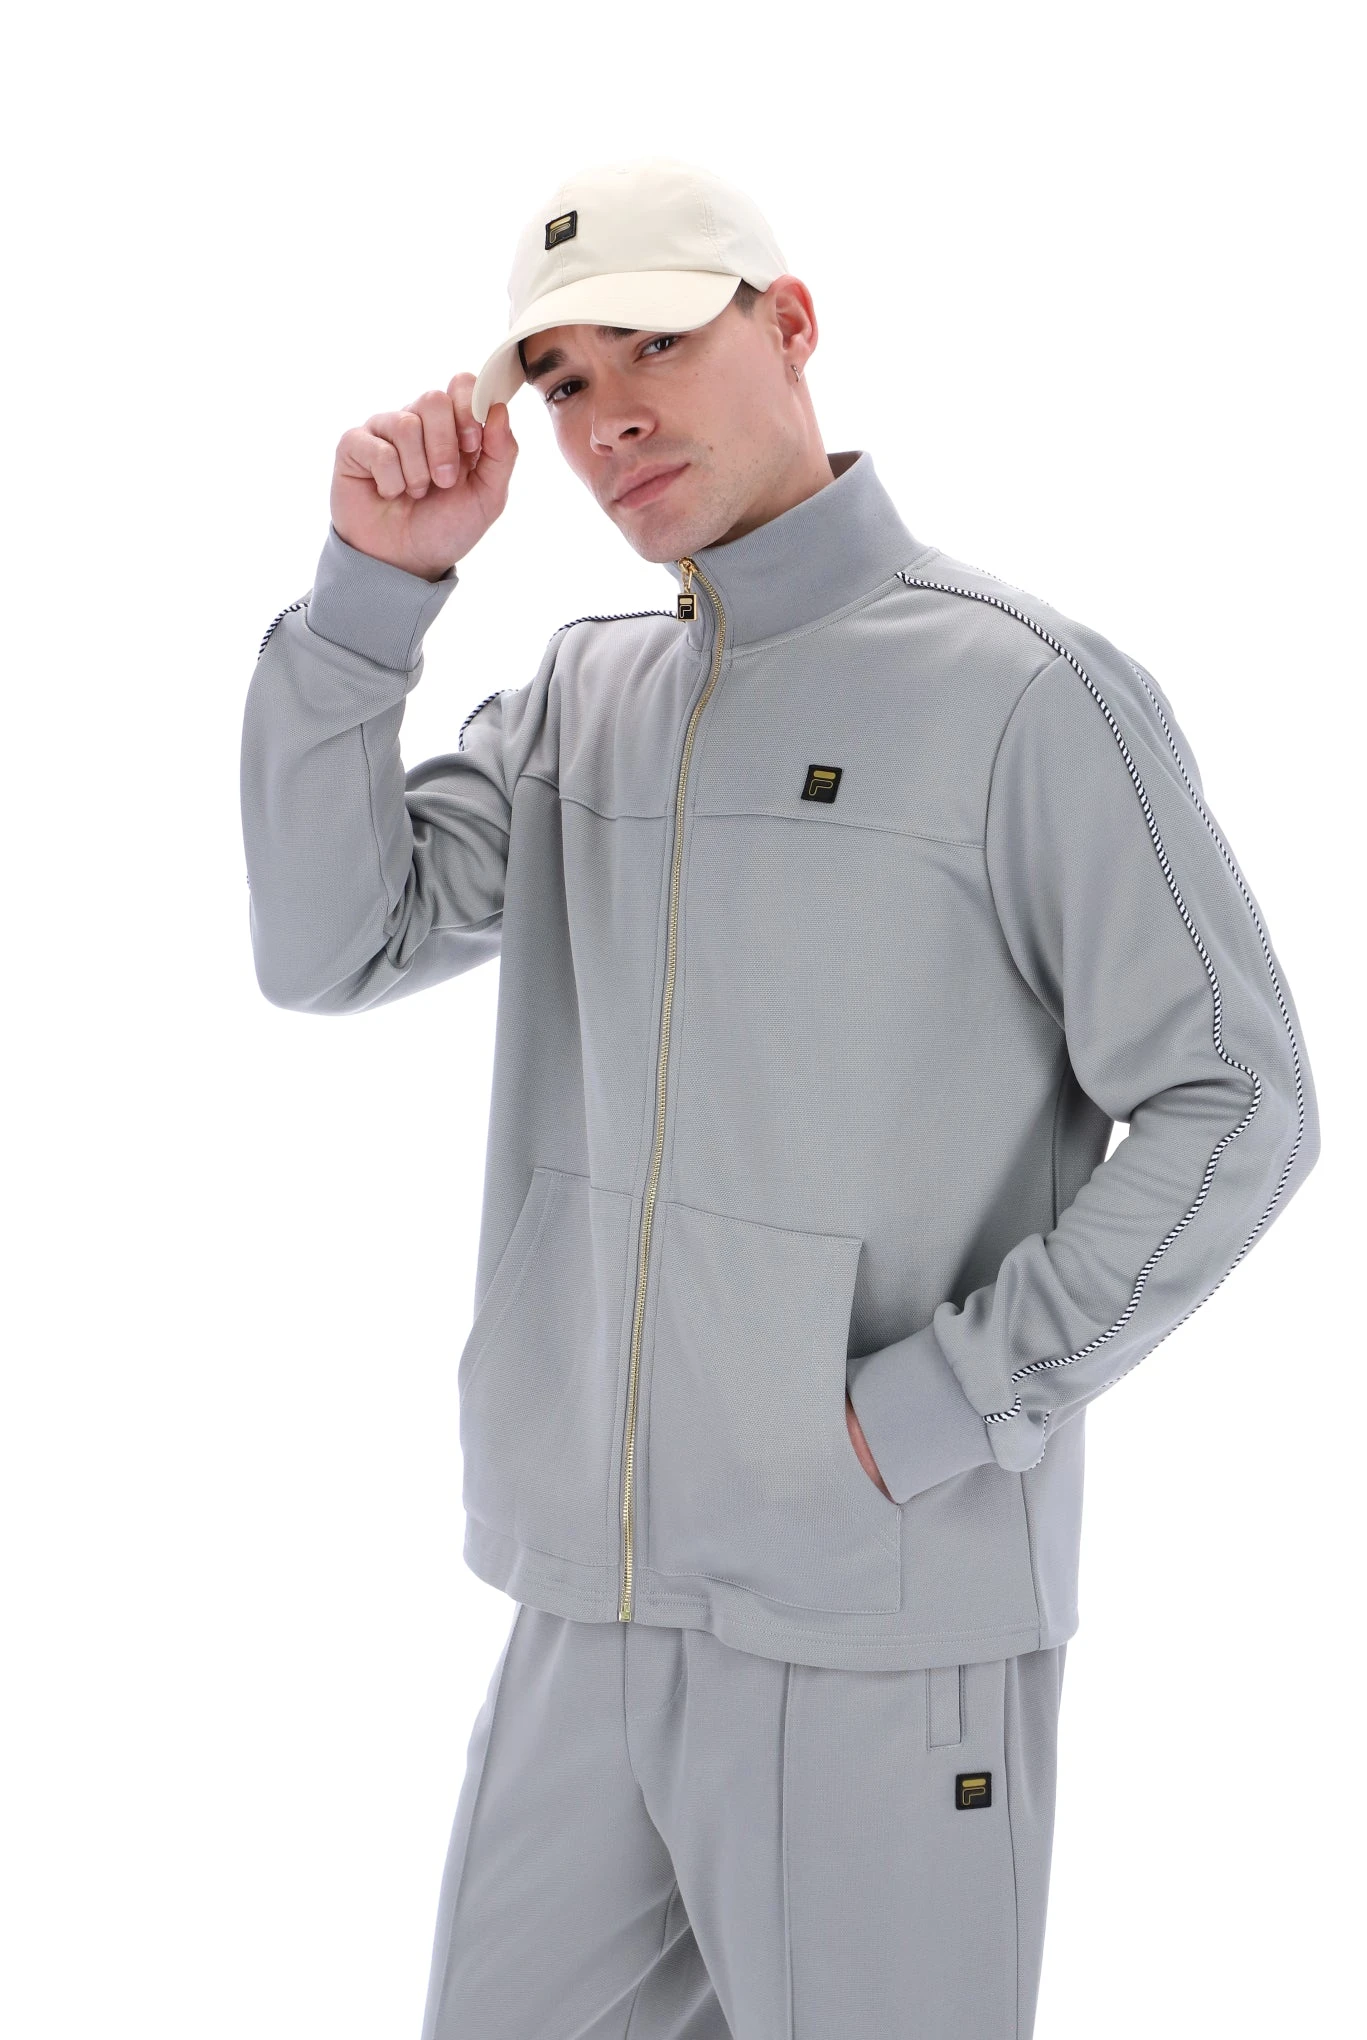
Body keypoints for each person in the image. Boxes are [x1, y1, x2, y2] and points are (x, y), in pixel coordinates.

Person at [239, 156, 1322, 2039]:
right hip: (589, 1607)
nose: (609, 415)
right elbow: (332, 942)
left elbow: (1239, 1102)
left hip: (878, 1619)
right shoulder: (582, 700)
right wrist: (372, 601)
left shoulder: (1020, 695)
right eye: (562, 380)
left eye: (656, 342)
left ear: (791, 324)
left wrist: (944, 1407)